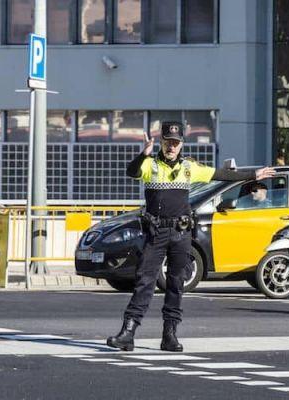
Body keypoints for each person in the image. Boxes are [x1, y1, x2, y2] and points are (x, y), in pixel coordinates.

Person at [107, 121, 275, 352]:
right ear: (162, 142)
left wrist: (253, 174)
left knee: (176, 283)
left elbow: (221, 174)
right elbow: (132, 172)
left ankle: (170, 335)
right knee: (145, 281)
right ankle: (128, 332)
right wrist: (143, 153)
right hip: (156, 233)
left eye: (175, 143)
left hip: (181, 233)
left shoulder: (189, 167)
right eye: (168, 142)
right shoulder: (150, 165)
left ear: (181, 144)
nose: (171, 147)